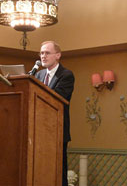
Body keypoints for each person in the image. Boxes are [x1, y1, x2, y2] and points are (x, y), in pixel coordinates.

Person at [35, 41, 75, 186]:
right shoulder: (38, 75)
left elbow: (58, 98)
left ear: (58, 55)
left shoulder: (66, 75)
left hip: (57, 131)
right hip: (38, 132)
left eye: (47, 53)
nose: (43, 56)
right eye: (41, 53)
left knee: (58, 171)